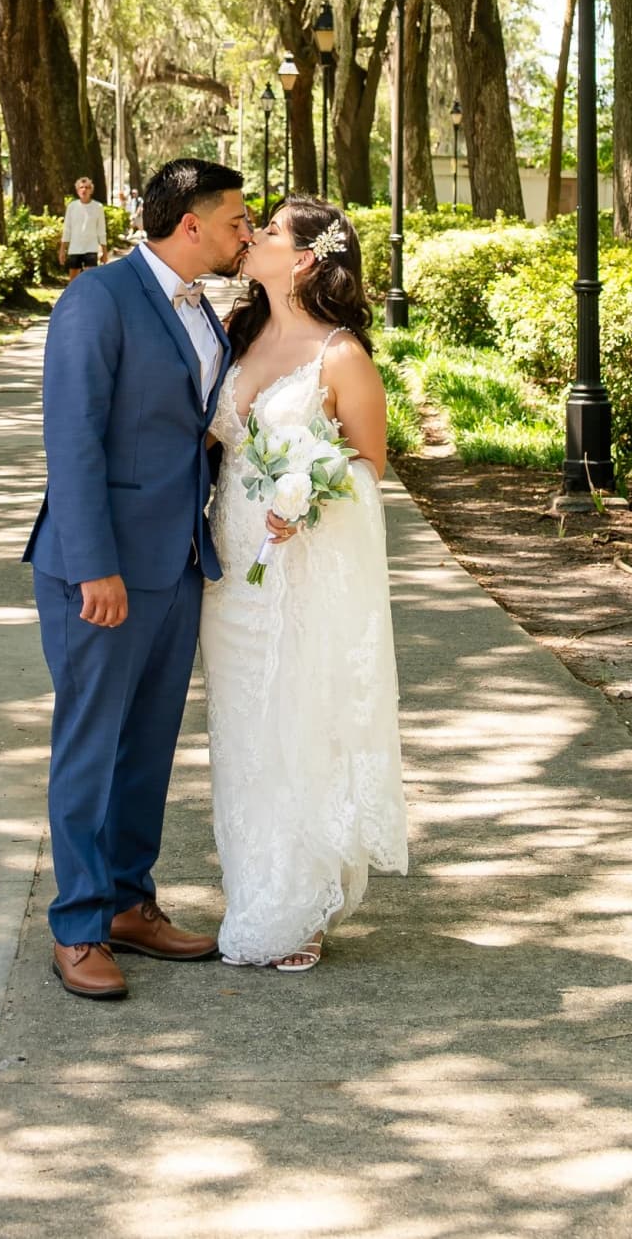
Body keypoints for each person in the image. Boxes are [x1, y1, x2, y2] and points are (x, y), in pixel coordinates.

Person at [24, 157, 253, 1002]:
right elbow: (73, 438)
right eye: (235, 219)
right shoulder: (99, 299)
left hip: (181, 562)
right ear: (190, 224)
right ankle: (79, 925)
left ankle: (128, 898)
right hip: (104, 569)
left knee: (148, 747)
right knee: (91, 745)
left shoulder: (204, 308)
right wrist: (95, 564)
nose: (245, 233)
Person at [201, 196, 408, 972]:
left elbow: (368, 465)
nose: (251, 235)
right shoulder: (236, 332)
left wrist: (309, 495)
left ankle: (299, 901)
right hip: (232, 573)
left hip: (302, 565)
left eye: (272, 232)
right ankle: (253, 886)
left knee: (299, 722)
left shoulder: (341, 354)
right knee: (243, 731)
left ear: (305, 260)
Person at [61, 174, 109, 280]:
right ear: (77, 190)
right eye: (81, 187)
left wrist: (104, 253)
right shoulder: (72, 207)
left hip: (91, 249)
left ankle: (89, 297)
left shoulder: (98, 207)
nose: (84, 190)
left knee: (90, 280)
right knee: (73, 282)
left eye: (87, 187)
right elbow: (67, 229)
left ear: (91, 190)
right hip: (74, 249)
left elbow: (101, 231)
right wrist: (62, 250)